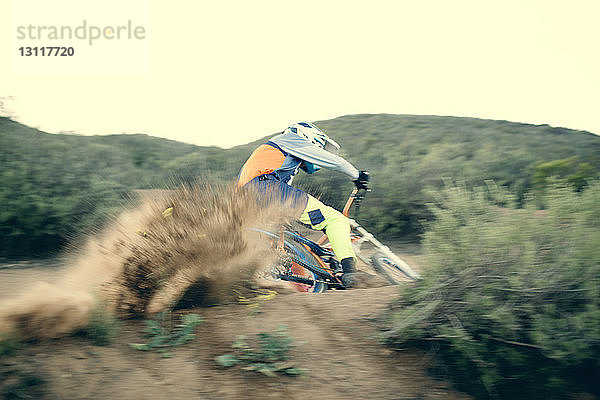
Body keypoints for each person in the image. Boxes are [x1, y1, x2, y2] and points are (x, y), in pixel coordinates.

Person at [237, 121, 370, 287]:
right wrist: (357, 175)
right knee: (335, 220)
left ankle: (306, 277)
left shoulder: (275, 156)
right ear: (310, 137)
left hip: (249, 200)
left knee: (293, 241)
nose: (319, 150)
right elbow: (335, 162)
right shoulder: (290, 139)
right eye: (320, 146)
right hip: (266, 190)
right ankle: (351, 272)